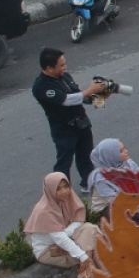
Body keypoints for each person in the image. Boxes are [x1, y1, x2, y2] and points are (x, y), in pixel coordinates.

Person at [33, 47, 107, 191]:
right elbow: (66, 100)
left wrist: (99, 96)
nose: (64, 67)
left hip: (82, 124)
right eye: (61, 65)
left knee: (86, 156)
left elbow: (79, 95)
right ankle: (60, 191)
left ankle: (89, 183)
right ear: (48, 68)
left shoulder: (65, 77)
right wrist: (90, 90)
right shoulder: (41, 86)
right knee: (64, 163)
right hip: (64, 130)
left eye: (64, 64)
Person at [25, 172, 99, 278]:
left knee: (90, 228)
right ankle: (88, 271)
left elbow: (78, 221)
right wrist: (83, 256)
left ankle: (87, 268)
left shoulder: (63, 200)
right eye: (58, 189)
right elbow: (60, 239)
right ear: (50, 190)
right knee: (90, 246)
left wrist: (66, 232)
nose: (64, 191)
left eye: (66, 186)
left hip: (63, 239)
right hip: (49, 250)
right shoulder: (44, 210)